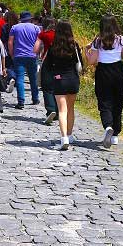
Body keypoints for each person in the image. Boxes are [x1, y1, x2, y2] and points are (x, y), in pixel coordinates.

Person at [85, 15, 123, 149]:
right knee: (118, 101)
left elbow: (92, 61)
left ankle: (108, 126)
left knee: (104, 102)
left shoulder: (98, 41)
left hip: (103, 72)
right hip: (118, 71)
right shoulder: (121, 39)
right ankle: (115, 135)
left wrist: (87, 52)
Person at [42, 21, 83, 150]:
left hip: (59, 80)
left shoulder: (53, 47)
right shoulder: (74, 46)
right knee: (71, 109)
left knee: (62, 110)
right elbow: (80, 63)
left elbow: (47, 66)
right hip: (73, 79)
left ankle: (64, 137)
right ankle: (70, 135)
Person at [9, 11, 41, 109]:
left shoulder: (14, 28)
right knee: (33, 78)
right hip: (32, 55)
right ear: (30, 19)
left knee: (20, 78)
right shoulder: (36, 28)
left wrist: (11, 54)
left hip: (19, 55)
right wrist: (38, 53)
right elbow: (39, 42)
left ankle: (21, 101)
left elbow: (10, 42)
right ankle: (35, 98)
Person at [34, 16, 58, 125]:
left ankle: (51, 109)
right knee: (58, 87)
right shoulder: (61, 34)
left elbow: (35, 49)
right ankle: (58, 111)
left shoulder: (43, 34)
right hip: (62, 64)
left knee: (47, 88)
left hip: (47, 62)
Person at [1, 11, 18, 93]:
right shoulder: (18, 27)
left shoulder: (5, 27)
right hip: (17, 48)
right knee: (16, 66)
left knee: (9, 66)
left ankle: (11, 78)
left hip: (7, 48)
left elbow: (2, 39)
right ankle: (15, 79)